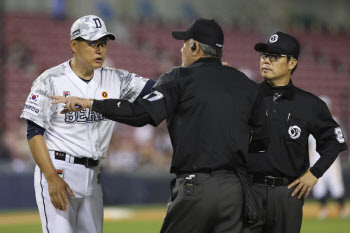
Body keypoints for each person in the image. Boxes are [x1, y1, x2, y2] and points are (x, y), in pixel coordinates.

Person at [51, 18, 269, 233]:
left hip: (197, 188)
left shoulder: (178, 78)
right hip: (237, 191)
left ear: (194, 47)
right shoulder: (246, 84)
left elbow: (140, 113)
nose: (181, 49)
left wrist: (92, 103)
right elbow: (263, 138)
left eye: (184, 43)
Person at [20, 15, 154, 233]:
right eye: (92, 43)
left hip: (94, 176)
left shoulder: (116, 79)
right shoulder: (50, 79)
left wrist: (198, 74)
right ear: (74, 44)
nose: (99, 49)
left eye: (103, 43)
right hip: (59, 170)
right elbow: (33, 132)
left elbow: (159, 88)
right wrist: (51, 178)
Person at [247, 32, 348, 233]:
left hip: (288, 194)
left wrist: (314, 173)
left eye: (274, 56)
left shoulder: (310, 104)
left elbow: (334, 142)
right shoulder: (246, 95)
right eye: (263, 55)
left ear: (292, 63)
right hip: (249, 190)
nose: (266, 60)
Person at [309, 96, 348, 219]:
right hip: (315, 158)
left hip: (331, 159)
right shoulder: (310, 122)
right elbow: (308, 144)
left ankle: (342, 209)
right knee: (319, 185)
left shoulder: (335, 122)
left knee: (336, 184)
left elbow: (342, 141)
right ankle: (323, 209)